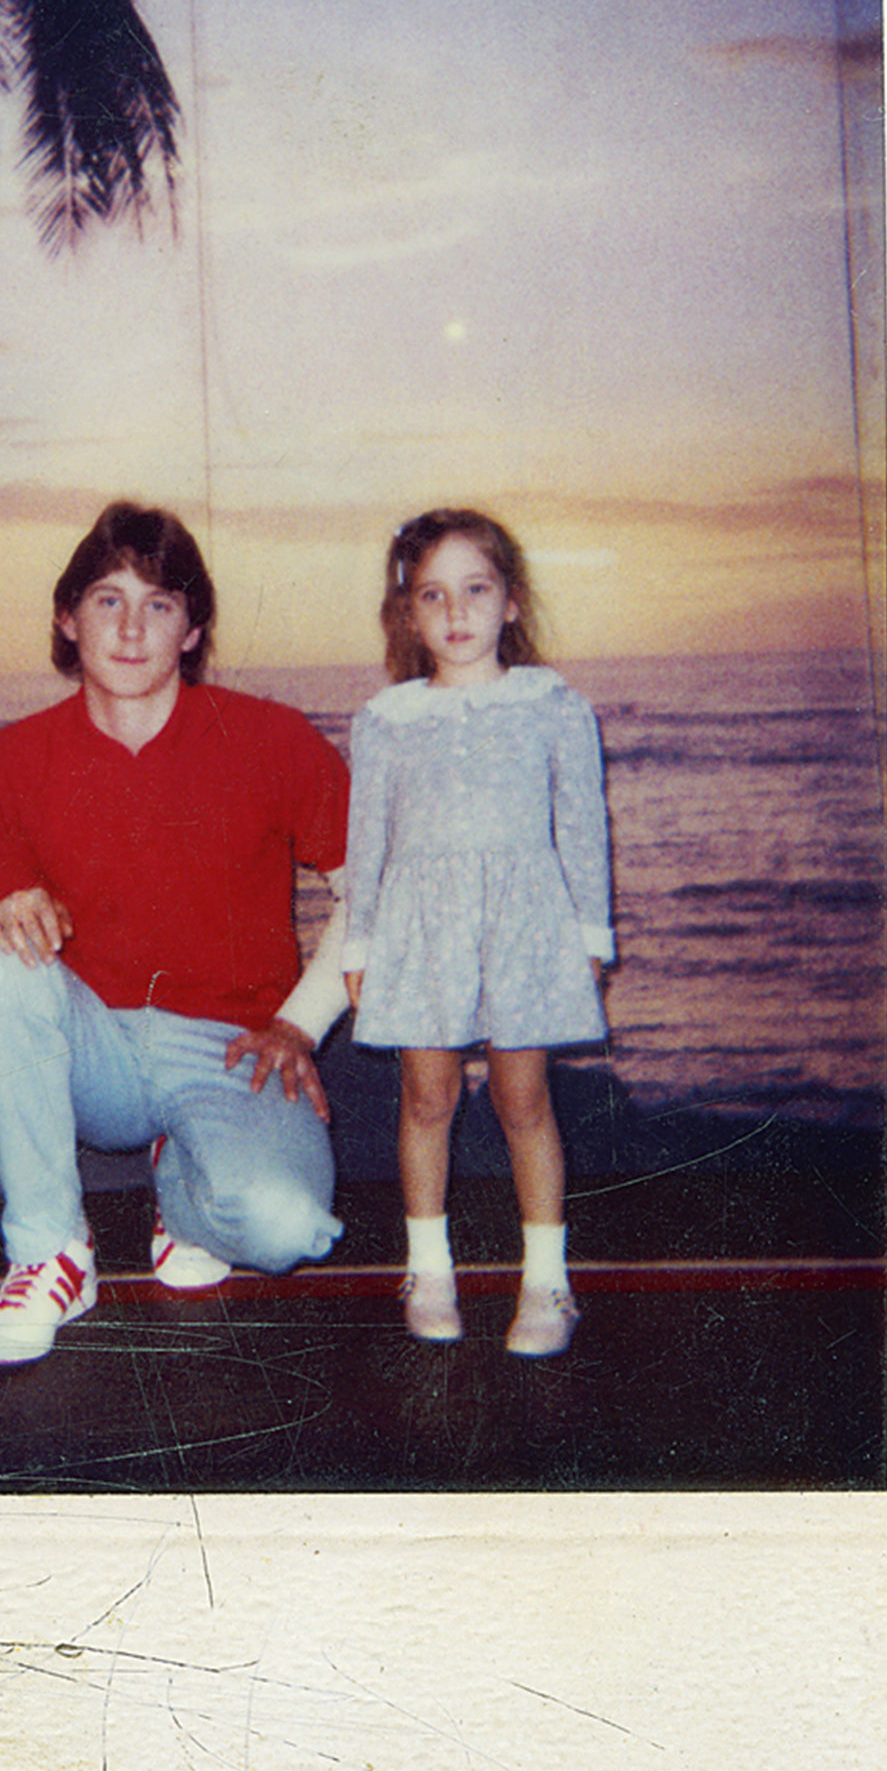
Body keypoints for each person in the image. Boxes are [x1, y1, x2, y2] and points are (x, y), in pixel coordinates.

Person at [0, 502, 351, 1366]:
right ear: (67, 617)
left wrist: (303, 1021)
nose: (131, 629)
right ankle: (52, 1252)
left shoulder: (271, 739)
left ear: (192, 626)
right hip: (93, 1042)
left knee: (285, 1228)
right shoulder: (13, 759)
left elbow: (375, 896)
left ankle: (187, 1177)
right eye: (106, 600)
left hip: (231, 1048)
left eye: (159, 604)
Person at [343, 509, 614, 1357]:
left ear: (510, 602)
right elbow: (367, 842)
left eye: (476, 589)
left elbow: (581, 826)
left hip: (526, 925)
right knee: (428, 1098)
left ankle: (547, 1282)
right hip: (422, 929)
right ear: (408, 613)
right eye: (433, 594)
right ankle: (430, 1270)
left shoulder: (554, 707)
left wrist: (591, 936)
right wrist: (358, 943)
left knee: (522, 1100)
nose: (456, 612)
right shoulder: (387, 720)